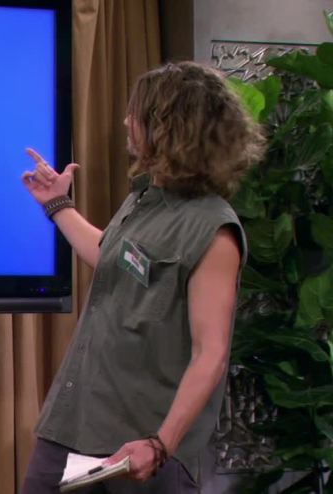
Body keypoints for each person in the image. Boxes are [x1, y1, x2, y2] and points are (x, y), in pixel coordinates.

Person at [19, 62, 265, 493]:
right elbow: (112, 257)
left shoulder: (213, 229)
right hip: (72, 425)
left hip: (141, 447)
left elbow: (210, 354)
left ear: (168, 126)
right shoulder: (144, 199)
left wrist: (160, 443)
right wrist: (58, 206)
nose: (126, 122)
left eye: (136, 114)